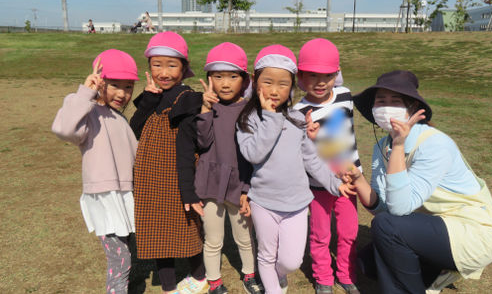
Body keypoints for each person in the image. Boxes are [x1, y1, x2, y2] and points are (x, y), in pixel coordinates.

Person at [341, 70, 492, 294]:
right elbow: (383, 209)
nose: (386, 107)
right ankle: (438, 271)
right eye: (381, 101)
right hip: (434, 226)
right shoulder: (383, 146)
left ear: (411, 109)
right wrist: (359, 180)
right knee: (367, 263)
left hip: (473, 232)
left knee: (387, 228)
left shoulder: (434, 144)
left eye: (395, 101)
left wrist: (399, 147)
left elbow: (397, 211)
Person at [236, 45, 353, 294]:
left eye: (283, 84)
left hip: (297, 203)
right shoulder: (248, 120)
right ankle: (272, 287)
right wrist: (270, 118)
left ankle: (278, 275)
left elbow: (311, 160)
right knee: (267, 255)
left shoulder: (298, 118)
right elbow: (253, 154)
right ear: (255, 82)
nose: (275, 90)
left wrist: (334, 184)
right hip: (263, 202)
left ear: (292, 86)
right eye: (268, 82)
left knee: (291, 261)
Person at [52, 49, 139, 294]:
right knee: (120, 258)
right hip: (104, 196)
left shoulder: (119, 119)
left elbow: (135, 155)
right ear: (100, 82)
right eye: (114, 85)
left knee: (124, 251)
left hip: (123, 195)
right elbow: (64, 130)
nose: (122, 93)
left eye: (128, 86)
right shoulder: (88, 113)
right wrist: (85, 92)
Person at [129, 31, 207, 294]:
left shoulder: (188, 97)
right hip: (149, 177)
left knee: (186, 226)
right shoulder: (150, 97)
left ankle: (199, 276)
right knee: (155, 229)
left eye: (172, 65)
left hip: (177, 175)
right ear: (149, 67)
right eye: (157, 64)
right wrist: (148, 100)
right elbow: (135, 131)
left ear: (183, 68)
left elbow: (193, 141)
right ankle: (169, 287)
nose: (164, 72)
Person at [191, 42, 263, 294]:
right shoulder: (207, 108)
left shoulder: (250, 110)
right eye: (217, 76)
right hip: (210, 184)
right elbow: (202, 142)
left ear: (244, 80)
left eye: (233, 76)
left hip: (240, 184)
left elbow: (255, 153)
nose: (224, 83)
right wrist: (205, 110)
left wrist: (247, 187)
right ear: (208, 79)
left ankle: (250, 275)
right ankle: (214, 281)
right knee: (213, 239)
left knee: (244, 238)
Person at [293, 38, 361, 294]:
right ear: (301, 76)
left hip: (349, 181)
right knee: (320, 235)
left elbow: (344, 132)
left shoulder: (345, 95)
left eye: (328, 75)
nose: (320, 82)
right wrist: (310, 136)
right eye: (312, 75)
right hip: (319, 185)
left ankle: (346, 274)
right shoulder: (299, 111)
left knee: (348, 232)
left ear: (337, 74)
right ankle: (323, 277)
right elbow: (305, 153)